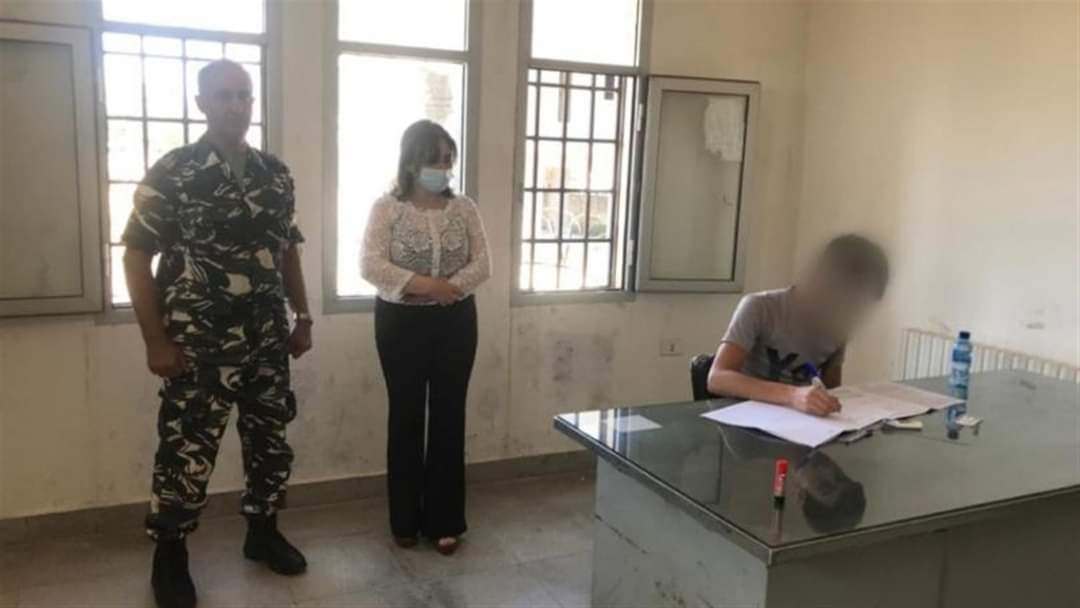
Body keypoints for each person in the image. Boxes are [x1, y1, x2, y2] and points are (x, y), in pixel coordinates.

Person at [122, 59, 312, 608]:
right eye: (224, 95)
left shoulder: (275, 174)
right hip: (197, 346)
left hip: (267, 341)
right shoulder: (175, 171)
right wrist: (155, 340)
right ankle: (170, 556)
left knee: (270, 444)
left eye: (244, 95)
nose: (236, 105)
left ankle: (263, 532)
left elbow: (287, 251)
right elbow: (135, 256)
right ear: (201, 102)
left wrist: (302, 316)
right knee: (186, 452)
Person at [361, 119, 492, 556]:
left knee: (449, 415)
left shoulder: (464, 207)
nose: (442, 168)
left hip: (456, 322)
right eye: (434, 159)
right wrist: (427, 285)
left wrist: (444, 290)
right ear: (411, 162)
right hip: (400, 323)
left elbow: (483, 263)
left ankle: (444, 520)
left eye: (447, 159)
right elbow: (371, 264)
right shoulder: (387, 208)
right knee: (406, 416)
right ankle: (404, 519)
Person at [707, 234, 889, 415]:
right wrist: (792, 395)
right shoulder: (761, 307)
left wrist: (828, 403)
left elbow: (831, 388)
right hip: (747, 418)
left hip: (799, 423)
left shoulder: (839, 325)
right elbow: (717, 378)